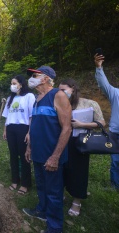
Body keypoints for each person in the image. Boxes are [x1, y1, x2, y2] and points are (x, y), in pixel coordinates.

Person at [22, 66, 72, 233]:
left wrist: (55, 157)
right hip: (37, 153)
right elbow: (35, 125)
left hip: (52, 155)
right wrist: (29, 147)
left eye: (35, 75)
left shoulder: (58, 95)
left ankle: (55, 227)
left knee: (54, 192)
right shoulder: (37, 98)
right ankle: (42, 210)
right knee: (42, 187)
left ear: (45, 78)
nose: (31, 78)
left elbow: (67, 128)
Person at [59, 79, 105, 216]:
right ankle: (60, 193)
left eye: (63, 90)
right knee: (61, 168)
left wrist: (82, 125)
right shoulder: (59, 103)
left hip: (80, 141)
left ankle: (77, 201)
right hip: (63, 140)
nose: (60, 93)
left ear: (73, 88)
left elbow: (102, 123)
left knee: (79, 171)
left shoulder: (89, 103)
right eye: (59, 90)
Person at [2, 75, 35, 194]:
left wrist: (29, 132)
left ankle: (25, 184)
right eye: (11, 83)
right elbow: (7, 116)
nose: (12, 86)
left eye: (14, 83)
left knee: (24, 155)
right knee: (13, 155)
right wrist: (5, 130)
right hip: (11, 128)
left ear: (21, 84)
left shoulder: (29, 96)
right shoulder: (10, 98)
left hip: (23, 127)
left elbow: (31, 116)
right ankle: (15, 180)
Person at [94, 54, 119, 189]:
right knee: (115, 161)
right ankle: (115, 185)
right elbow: (104, 84)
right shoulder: (116, 93)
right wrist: (99, 67)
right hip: (116, 133)